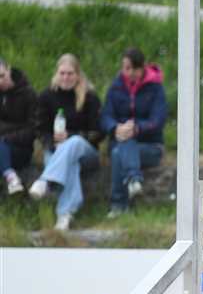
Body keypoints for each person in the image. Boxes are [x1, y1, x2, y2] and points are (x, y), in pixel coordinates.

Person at [28, 54, 104, 230]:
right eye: (62, 73)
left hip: (86, 152)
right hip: (55, 149)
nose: (66, 77)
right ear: (57, 73)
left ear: (78, 74)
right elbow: (39, 129)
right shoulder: (47, 96)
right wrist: (52, 141)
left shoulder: (90, 97)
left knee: (74, 143)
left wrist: (70, 136)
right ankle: (65, 215)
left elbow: (99, 132)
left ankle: (45, 180)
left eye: (70, 73)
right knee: (70, 163)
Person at [100, 47, 167, 217]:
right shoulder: (116, 87)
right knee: (120, 148)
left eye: (130, 68)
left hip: (150, 146)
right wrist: (116, 128)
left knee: (119, 152)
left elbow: (158, 120)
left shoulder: (156, 89)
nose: (126, 72)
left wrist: (136, 128)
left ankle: (118, 205)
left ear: (140, 68)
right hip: (120, 139)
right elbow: (105, 116)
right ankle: (134, 178)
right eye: (124, 68)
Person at [0, 57, 37, 196]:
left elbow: (33, 129)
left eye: (2, 76)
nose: (0, 81)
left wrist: (6, 137)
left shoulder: (28, 94)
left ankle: (12, 178)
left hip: (20, 149)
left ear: (8, 70)